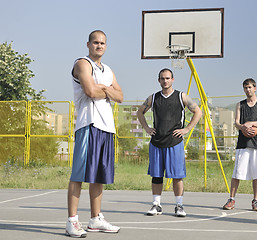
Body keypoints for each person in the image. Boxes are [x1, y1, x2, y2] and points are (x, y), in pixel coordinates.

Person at [66, 30, 123, 238]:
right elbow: (90, 91)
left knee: (98, 175)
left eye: (103, 43)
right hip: (87, 124)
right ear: (88, 44)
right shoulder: (82, 63)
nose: (99, 46)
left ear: (106, 46)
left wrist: (105, 89)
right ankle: (72, 221)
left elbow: (121, 96)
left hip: (106, 127)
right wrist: (108, 90)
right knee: (79, 174)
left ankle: (95, 219)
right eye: (96, 42)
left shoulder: (108, 70)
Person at [137, 68, 202, 217]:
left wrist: (187, 129)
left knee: (177, 176)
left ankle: (179, 206)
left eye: (167, 78)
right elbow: (140, 112)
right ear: (159, 80)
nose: (165, 81)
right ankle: (156, 205)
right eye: (162, 78)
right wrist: (146, 127)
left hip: (174, 141)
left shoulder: (181, 96)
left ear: (172, 79)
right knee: (157, 175)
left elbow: (198, 112)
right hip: (157, 141)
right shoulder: (153, 98)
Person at [223, 78, 257, 211]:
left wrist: (251, 124)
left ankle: (256, 201)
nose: (248, 90)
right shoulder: (240, 105)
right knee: (237, 172)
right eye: (245, 88)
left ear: (255, 88)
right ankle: (231, 199)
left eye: (250, 87)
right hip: (243, 143)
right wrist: (243, 127)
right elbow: (236, 123)